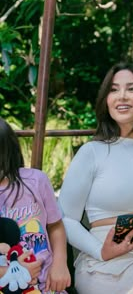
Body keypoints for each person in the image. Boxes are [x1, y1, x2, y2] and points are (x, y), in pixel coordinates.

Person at [58, 62, 133, 294]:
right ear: (106, 99)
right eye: (113, 89)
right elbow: (65, 218)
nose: (122, 96)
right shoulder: (92, 152)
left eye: (132, 89)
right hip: (104, 264)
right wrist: (101, 250)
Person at [0, 117, 71, 293]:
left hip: (46, 284)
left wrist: (60, 264)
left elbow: (55, 226)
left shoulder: (36, 180)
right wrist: (8, 272)